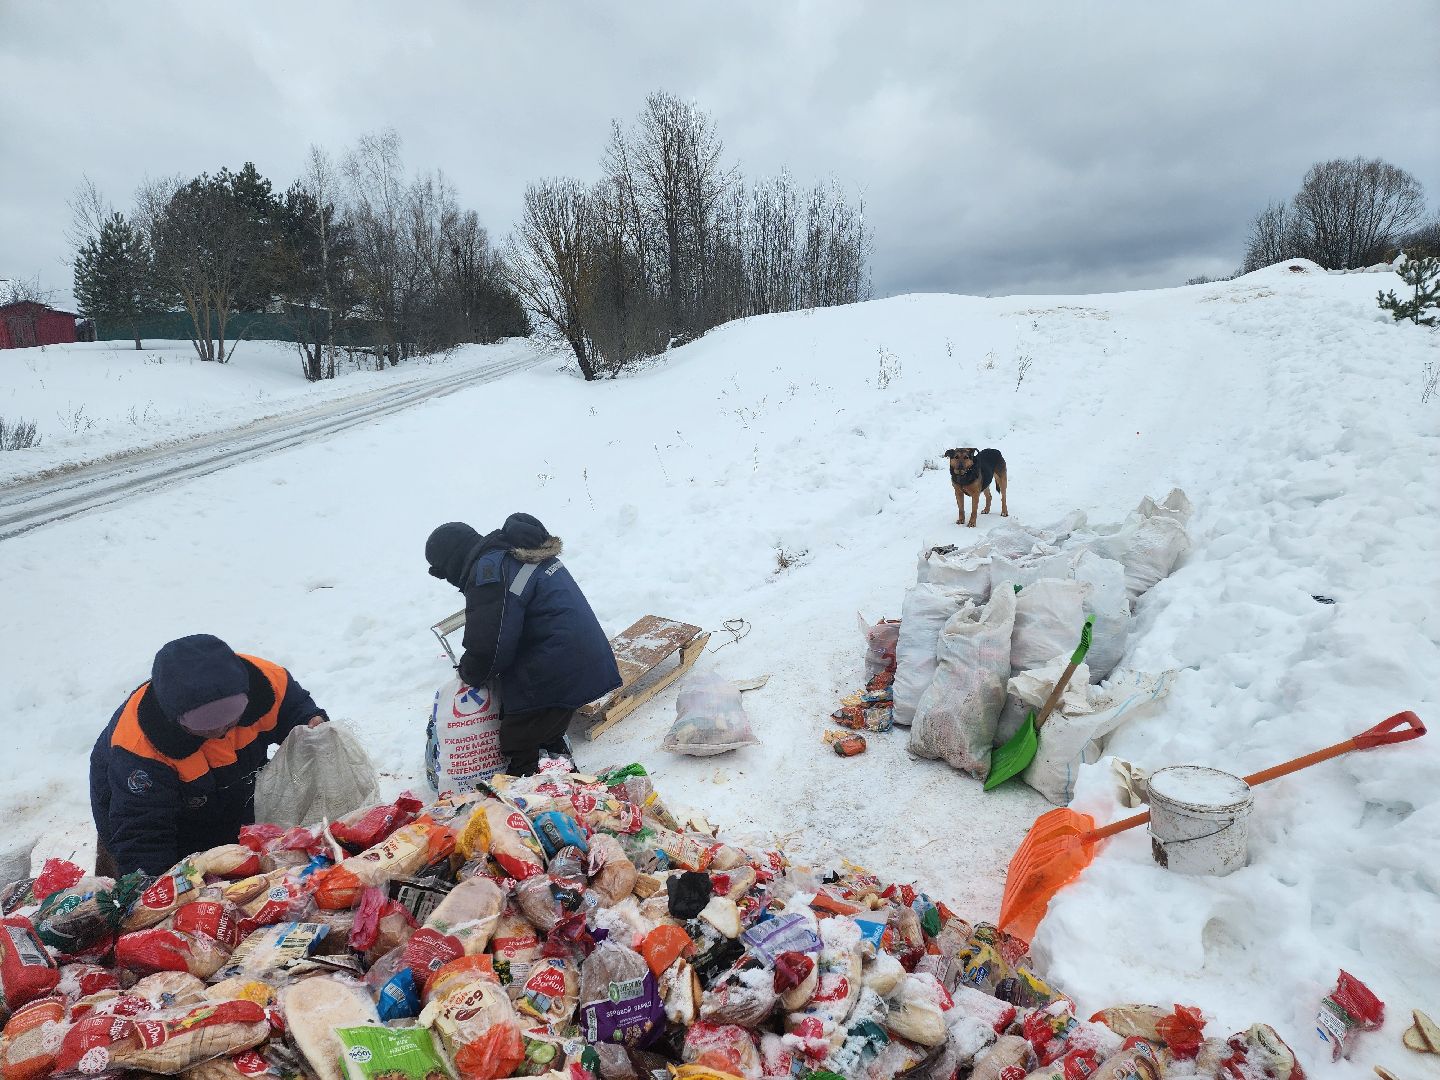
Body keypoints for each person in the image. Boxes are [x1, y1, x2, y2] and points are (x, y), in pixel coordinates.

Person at [90, 634, 327, 877]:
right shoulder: (139, 748)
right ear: (176, 719)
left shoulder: (268, 682)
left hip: (237, 785)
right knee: (168, 874)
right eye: (205, 726)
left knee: (240, 860)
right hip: (149, 809)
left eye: (231, 719)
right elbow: (142, 836)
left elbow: (296, 710)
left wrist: (310, 722)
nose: (221, 731)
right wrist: (159, 889)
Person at [425, 513, 621, 775]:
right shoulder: (512, 554)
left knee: (518, 740)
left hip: (559, 663)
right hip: (583, 655)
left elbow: (490, 646)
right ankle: (559, 770)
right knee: (542, 728)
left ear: (451, 562)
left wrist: (468, 672)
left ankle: (536, 797)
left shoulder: (489, 572)